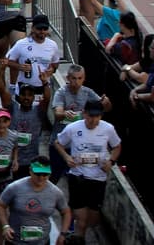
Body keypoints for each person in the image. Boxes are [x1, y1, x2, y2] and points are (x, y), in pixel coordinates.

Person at [53, 99, 120, 242]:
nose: (93, 120)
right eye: (90, 116)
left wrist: (111, 161)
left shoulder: (108, 129)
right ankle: (77, 237)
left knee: (93, 219)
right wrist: (66, 157)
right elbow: (58, 143)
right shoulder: (73, 128)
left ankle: (76, 232)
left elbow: (117, 146)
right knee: (82, 220)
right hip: (78, 176)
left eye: (96, 116)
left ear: (101, 116)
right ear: (84, 114)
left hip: (98, 178)